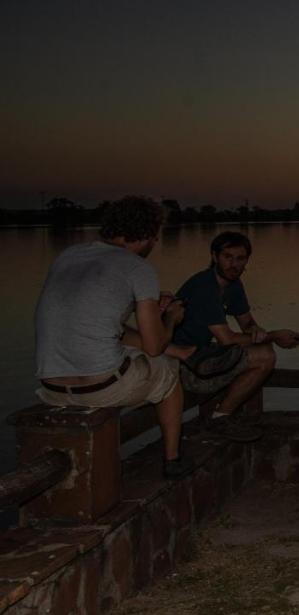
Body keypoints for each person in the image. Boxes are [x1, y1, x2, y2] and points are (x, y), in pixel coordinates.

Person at [34, 195, 193, 478]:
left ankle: (180, 353)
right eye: (155, 237)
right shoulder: (137, 267)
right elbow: (155, 347)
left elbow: (93, 322)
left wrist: (142, 306)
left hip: (51, 388)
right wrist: (169, 318)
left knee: (119, 346)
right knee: (168, 371)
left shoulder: (68, 256)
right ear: (145, 234)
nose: (155, 244)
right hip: (101, 388)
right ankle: (173, 460)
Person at [166, 231, 299, 442]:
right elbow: (227, 339)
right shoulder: (205, 286)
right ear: (214, 257)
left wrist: (258, 331)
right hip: (179, 364)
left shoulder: (233, 285)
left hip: (199, 355)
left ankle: (220, 416)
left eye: (240, 258)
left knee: (263, 351)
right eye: (228, 257)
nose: (234, 264)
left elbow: (247, 323)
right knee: (264, 357)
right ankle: (219, 419)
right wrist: (274, 336)